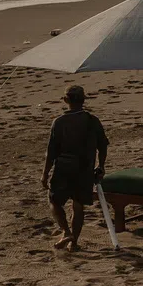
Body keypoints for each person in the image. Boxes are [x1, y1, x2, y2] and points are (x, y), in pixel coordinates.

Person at [41, 85, 108, 253]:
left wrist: (45, 173)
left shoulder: (59, 122)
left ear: (66, 100)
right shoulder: (92, 120)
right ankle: (74, 242)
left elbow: (51, 152)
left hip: (64, 167)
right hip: (85, 168)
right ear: (83, 100)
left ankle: (66, 232)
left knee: (54, 201)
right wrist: (101, 165)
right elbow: (103, 146)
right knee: (78, 206)